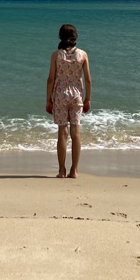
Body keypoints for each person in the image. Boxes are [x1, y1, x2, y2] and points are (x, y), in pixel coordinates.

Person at [45, 23, 91, 178]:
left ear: (60, 37)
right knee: (76, 133)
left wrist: (48, 100)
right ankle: (74, 170)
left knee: (62, 133)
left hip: (60, 95)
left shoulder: (56, 55)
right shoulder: (83, 54)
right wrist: (87, 99)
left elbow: (51, 79)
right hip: (77, 95)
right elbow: (88, 79)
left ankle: (61, 170)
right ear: (75, 37)